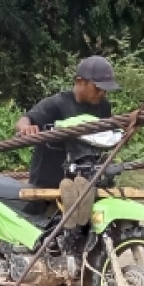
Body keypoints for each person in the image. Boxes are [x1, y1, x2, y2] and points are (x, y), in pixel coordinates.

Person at [14, 55, 120, 252]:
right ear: (80, 82)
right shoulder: (57, 103)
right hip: (48, 177)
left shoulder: (103, 107)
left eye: (105, 89)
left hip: (84, 176)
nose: (102, 93)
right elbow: (25, 120)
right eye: (97, 88)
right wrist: (26, 128)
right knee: (35, 234)